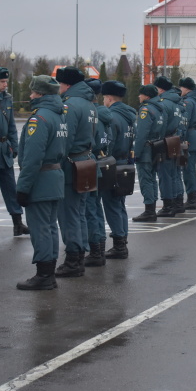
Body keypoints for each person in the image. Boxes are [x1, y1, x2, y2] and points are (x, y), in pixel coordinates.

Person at [15, 76, 68, 290]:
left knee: (41, 229)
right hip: (54, 177)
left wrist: (23, 187)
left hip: (41, 179)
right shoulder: (59, 116)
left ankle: (44, 275)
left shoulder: (40, 119)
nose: (30, 96)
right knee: (50, 227)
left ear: (41, 94)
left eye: (33, 92)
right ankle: (49, 272)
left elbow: (33, 158)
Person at [54, 66, 98, 277]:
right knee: (79, 213)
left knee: (69, 214)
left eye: (60, 83)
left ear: (67, 84)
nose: (58, 88)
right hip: (86, 161)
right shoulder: (89, 104)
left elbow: (65, 139)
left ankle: (73, 259)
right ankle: (79, 255)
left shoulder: (69, 105)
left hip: (71, 164)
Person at [0, 67, 30, 236]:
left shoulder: (7, 99)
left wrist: (15, 146)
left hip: (5, 150)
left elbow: (11, 125)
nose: (5, 84)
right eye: (2, 81)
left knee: (11, 188)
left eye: (6, 81)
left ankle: (18, 222)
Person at [100, 81, 137, 259]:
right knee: (120, 205)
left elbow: (109, 142)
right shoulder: (129, 115)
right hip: (125, 162)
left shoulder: (112, 116)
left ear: (108, 97)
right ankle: (122, 241)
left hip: (113, 163)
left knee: (112, 205)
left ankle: (119, 245)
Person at [84, 78, 113, 267]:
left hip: (88, 163)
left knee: (89, 209)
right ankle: (100, 245)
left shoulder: (89, 114)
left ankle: (95, 249)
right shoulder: (104, 114)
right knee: (95, 207)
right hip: (100, 162)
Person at [132, 85, 166, 223]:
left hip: (146, 149)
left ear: (147, 96)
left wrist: (136, 152)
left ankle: (149, 210)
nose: (139, 97)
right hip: (156, 146)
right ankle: (151, 207)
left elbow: (141, 134)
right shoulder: (160, 109)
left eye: (141, 94)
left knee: (145, 179)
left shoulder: (145, 110)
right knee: (152, 178)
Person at [153, 76, 184, 216]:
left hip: (165, 140)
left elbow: (162, 125)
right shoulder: (177, 102)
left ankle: (168, 205)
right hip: (175, 138)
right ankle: (178, 202)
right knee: (174, 173)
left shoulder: (164, 103)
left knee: (165, 174)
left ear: (160, 89)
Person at [179, 77, 196, 210]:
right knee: (190, 169)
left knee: (188, 170)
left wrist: (181, 137)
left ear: (185, 88)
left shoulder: (188, 102)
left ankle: (191, 199)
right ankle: (192, 197)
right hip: (194, 135)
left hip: (188, 136)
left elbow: (184, 121)